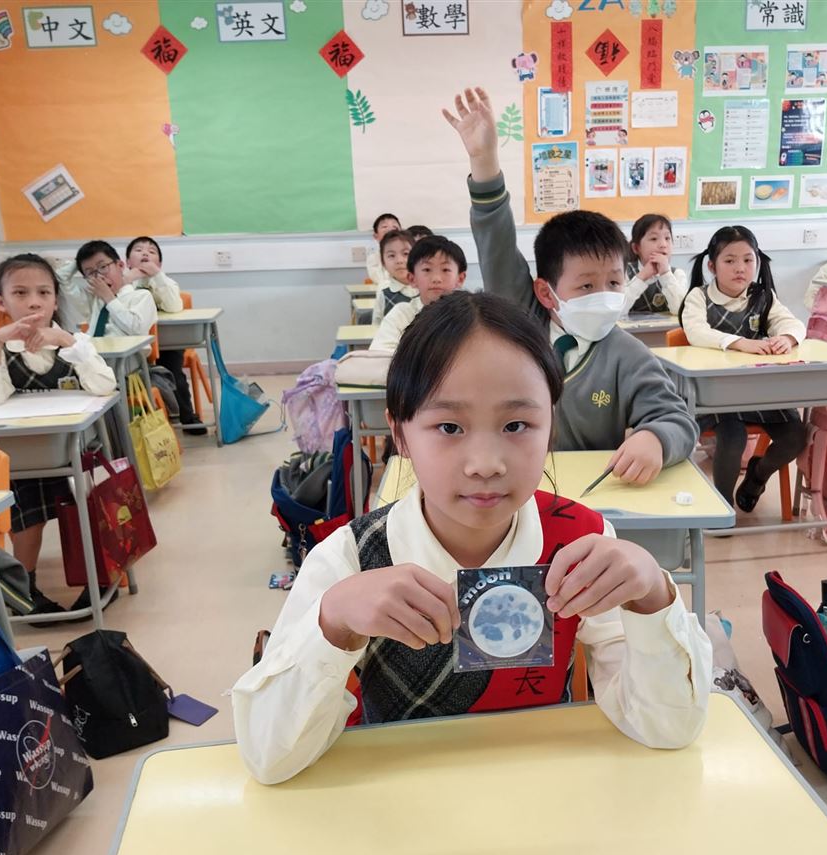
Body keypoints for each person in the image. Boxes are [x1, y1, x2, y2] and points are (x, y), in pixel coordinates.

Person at [233, 293, 712, 784]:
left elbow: (667, 727)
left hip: (542, 794)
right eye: (449, 427)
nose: (485, 464)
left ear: (551, 427)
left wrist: (652, 595)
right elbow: (269, 759)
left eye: (516, 425)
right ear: (401, 434)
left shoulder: (579, 543)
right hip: (400, 802)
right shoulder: (350, 558)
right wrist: (333, 622)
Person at [444, 86, 697, 486]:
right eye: (586, 286)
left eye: (614, 282)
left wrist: (655, 439)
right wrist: (484, 159)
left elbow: (676, 419)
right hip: (508, 487)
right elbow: (495, 239)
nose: (604, 296)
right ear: (547, 293)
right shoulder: (522, 320)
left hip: (588, 496)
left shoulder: (626, 355)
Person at [0, 254, 117, 615]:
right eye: (20, 293)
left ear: (56, 300)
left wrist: (68, 342)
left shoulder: (74, 343)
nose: (33, 302)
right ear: (1, 302)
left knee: (89, 499)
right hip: (27, 451)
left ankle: (102, 575)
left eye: (43, 293)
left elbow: (105, 385)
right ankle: (22, 587)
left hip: (77, 448)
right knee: (23, 503)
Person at [678, 225, 807, 509]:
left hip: (757, 393)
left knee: (796, 436)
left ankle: (757, 476)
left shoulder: (763, 297)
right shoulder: (699, 297)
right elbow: (696, 332)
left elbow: (793, 323)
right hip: (716, 397)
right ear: (712, 266)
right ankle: (722, 506)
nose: (740, 268)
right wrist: (740, 343)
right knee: (732, 438)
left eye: (748, 260)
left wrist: (786, 338)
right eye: (730, 260)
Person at [124, 235, 206, 434]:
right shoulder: (123, 283)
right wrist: (128, 280)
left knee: (174, 374)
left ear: (159, 264)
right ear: (127, 262)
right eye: (139, 250)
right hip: (132, 343)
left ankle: (187, 416)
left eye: (151, 252)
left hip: (166, 343)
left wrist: (158, 277)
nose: (145, 253)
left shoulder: (167, 282)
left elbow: (174, 306)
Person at [370, 235, 467, 354]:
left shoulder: (468, 315)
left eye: (445, 270)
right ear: (412, 278)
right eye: (427, 270)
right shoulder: (401, 315)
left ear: (460, 278)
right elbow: (379, 355)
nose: (436, 279)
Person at [624, 214, 688, 315]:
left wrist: (666, 274)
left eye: (667, 238)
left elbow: (682, 311)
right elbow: (618, 310)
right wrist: (642, 277)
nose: (663, 245)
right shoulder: (625, 272)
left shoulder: (677, 274)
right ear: (636, 248)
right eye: (654, 239)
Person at [373, 230, 419, 326]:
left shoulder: (426, 288)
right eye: (391, 255)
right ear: (383, 262)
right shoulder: (384, 293)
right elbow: (376, 327)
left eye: (406, 254)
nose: (399, 261)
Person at [366, 213, 401, 285]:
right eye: (384, 226)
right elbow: (378, 279)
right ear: (376, 236)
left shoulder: (408, 254)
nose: (390, 228)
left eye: (394, 226)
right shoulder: (374, 258)